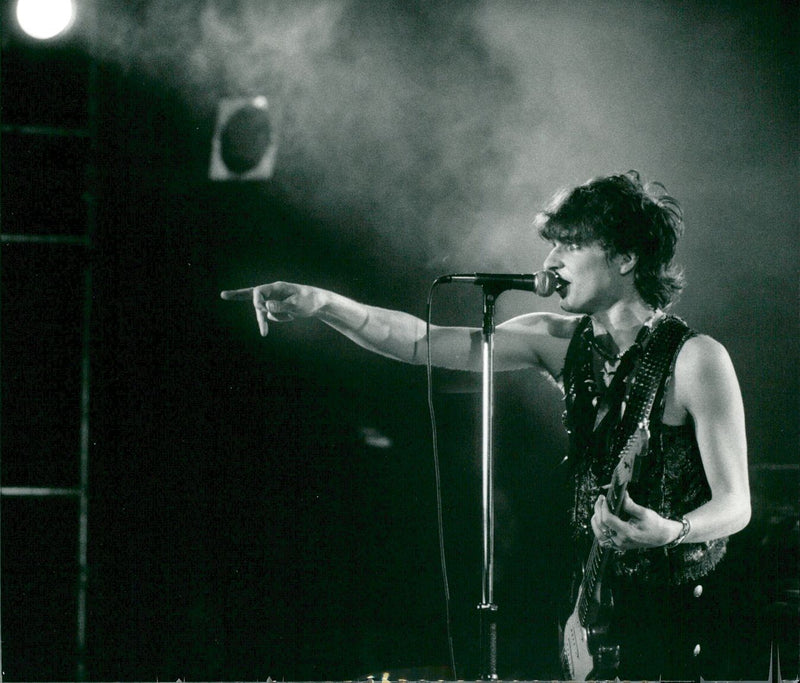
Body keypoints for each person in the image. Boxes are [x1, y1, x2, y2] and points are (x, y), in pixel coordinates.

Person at [222, 171, 750, 680]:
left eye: (570, 245)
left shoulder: (695, 359)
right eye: (553, 245)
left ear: (627, 258)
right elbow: (420, 341)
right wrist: (326, 305)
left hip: (677, 617)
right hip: (590, 607)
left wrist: (670, 531)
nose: (550, 261)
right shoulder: (556, 338)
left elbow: (737, 505)